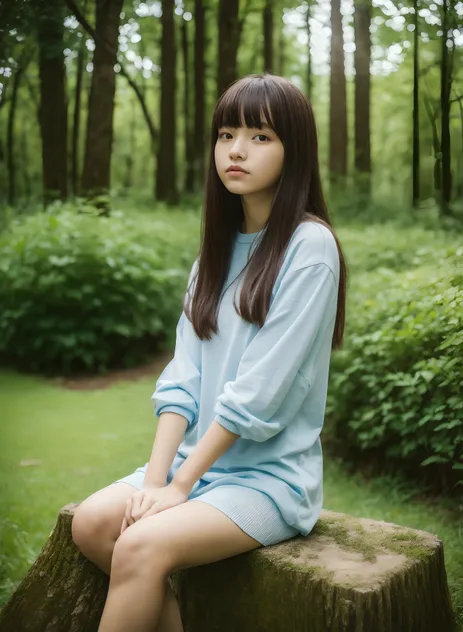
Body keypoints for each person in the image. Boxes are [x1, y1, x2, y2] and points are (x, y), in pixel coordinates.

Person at [71, 73, 347, 632]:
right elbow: (182, 379)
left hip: (269, 480)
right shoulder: (213, 257)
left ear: (296, 152)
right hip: (196, 468)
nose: (237, 150)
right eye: (226, 134)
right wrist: (157, 481)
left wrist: (178, 488)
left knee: (140, 546)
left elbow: (257, 398)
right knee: (94, 524)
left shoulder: (310, 247)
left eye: (261, 137)